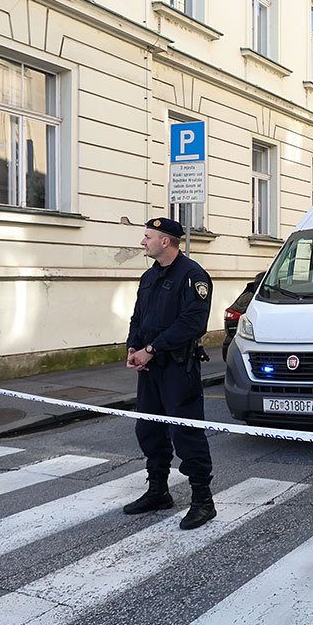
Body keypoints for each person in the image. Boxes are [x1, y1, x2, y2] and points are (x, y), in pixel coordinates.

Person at [123, 217, 216, 530]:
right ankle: (158, 491)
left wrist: (152, 348)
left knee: (186, 433)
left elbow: (193, 323)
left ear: (165, 241)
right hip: (150, 369)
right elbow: (138, 317)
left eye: (147, 237)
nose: (143, 242)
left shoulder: (193, 276)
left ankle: (203, 501)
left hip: (178, 368)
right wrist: (133, 348)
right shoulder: (149, 276)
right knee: (149, 430)